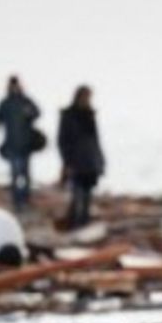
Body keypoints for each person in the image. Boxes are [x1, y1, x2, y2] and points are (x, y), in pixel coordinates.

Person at [0, 75, 41, 211]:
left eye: (16, 84)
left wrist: (29, 112)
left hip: (26, 146)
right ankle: (17, 203)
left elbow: (37, 113)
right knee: (15, 175)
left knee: (25, 175)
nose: (14, 87)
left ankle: (25, 201)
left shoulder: (26, 101)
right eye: (12, 84)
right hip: (11, 146)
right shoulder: (5, 104)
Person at [58, 85, 104, 229]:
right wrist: (67, 162)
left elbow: (95, 141)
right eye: (85, 96)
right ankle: (76, 225)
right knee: (78, 197)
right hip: (76, 162)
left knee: (87, 197)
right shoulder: (69, 115)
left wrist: (100, 161)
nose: (87, 100)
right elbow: (62, 141)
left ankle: (84, 224)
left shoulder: (90, 115)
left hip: (90, 163)